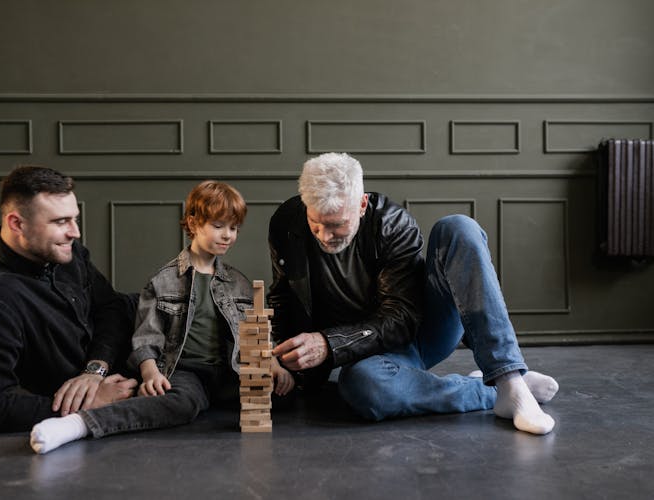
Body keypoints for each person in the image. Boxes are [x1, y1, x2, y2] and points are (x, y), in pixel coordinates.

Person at [269, 152, 558, 435]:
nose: (324, 236)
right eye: (315, 223)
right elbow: (283, 294)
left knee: (459, 227)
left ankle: (511, 383)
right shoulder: (287, 223)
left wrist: (330, 344)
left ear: (361, 204)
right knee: (364, 386)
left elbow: (401, 318)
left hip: (416, 334)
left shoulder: (392, 223)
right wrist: (276, 356)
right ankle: (489, 391)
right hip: (360, 359)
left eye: (336, 225)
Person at [30, 180, 295, 454]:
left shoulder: (237, 282)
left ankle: (208, 399)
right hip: (185, 370)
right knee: (182, 403)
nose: (227, 235)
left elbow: (256, 330)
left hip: (228, 371)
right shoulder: (165, 281)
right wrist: (151, 373)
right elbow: (147, 336)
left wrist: (272, 363)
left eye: (234, 228)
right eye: (218, 226)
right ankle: (80, 424)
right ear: (193, 224)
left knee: (283, 394)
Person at [0, 165, 138, 434]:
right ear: (16, 223)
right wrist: (90, 402)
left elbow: (110, 308)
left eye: (75, 219)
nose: (75, 232)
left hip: (123, 356)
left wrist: (95, 370)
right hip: (123, 379)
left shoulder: (66, 252)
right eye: (60, 221)